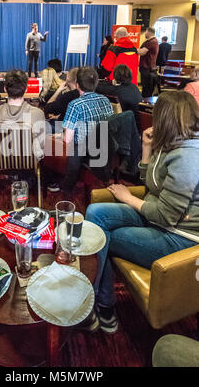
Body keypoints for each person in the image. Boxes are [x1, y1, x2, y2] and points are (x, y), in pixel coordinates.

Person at [85, 90, 199, 334]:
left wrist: (127, 197)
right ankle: (96, 301)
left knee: (101, 238)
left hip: (178, 238)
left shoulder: (189, 156)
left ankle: (99, 306)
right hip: (157, 218)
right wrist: (147, 149)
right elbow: (152, 187)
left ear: (166, 118)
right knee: (96, 213)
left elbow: (166, 215)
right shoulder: (172, 142)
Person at [62, 67, 113, 195]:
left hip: (85, 153)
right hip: (105, 148)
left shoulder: (75, 105)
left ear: (77, 85)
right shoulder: (106, 100)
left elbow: (67, 139)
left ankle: (66, 189)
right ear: (96, 83)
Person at [0, 69, 46, 160]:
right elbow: (41, 147)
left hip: (1, 165)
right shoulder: (38, 114)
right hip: (29, 166)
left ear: (5, 89)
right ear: (26, 89)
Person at [137, 27, 159, 97]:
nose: (144, 34)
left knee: (146, 89)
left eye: (145, 32)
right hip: (149, 68)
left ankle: (144, 104)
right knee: (147, 88)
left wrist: (132, 49)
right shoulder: (154, 41)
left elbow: (142, 52)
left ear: (149, 32)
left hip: (147, 69)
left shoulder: (151, 42)